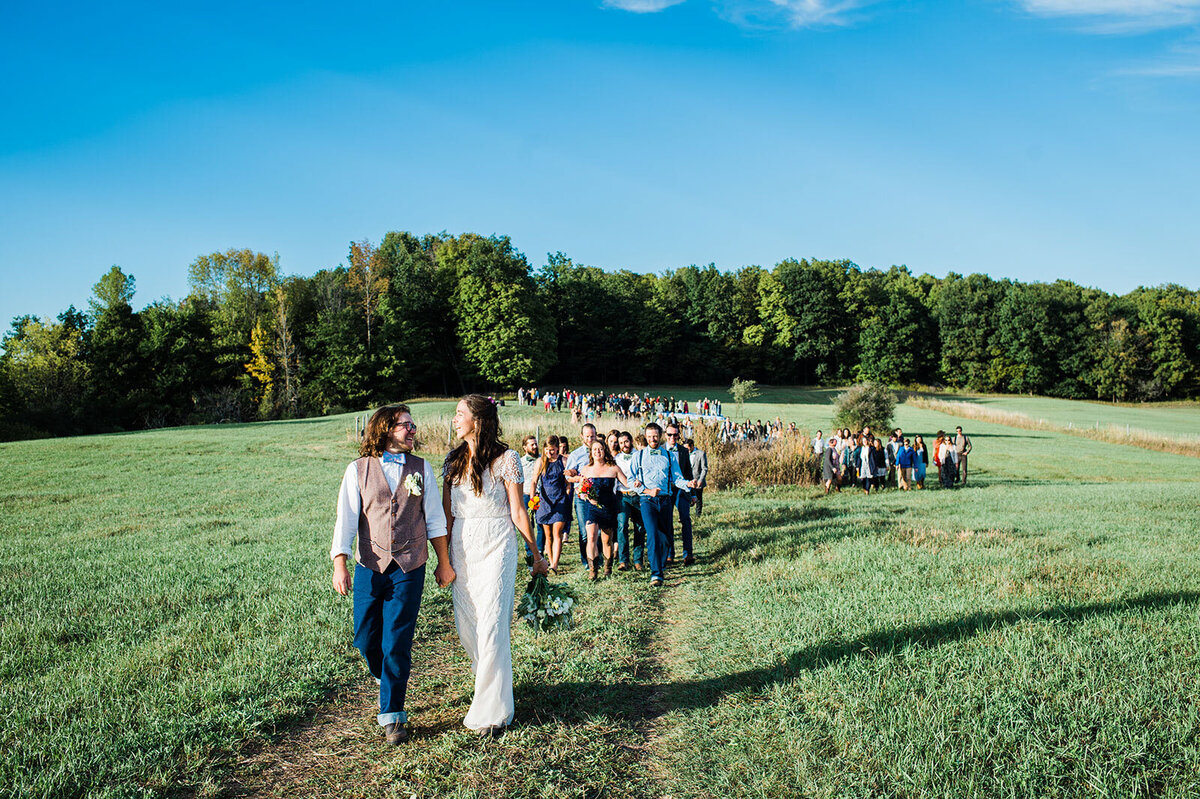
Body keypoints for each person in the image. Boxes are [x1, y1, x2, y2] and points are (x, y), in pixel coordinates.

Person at [331, 404, 455, 746]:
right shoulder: (357, 470)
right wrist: (339, 563)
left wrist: (443, 562)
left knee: (396, 640)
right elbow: (345, 520)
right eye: (406, 426)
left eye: (413, 425)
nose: (413, 430)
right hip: (369, 566)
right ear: (385, 430)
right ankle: (385, 678)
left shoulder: (421, 469)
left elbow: (434, 520)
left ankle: (393, 715)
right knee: (365, 637)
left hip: (409, 566)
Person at [442, 395, 548, 737]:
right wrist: (443, 559)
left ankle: (493, 710)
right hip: (462, 544)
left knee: (491, 625)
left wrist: (535, 553)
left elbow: (518, 511)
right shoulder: (453, 460)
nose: (455, 419)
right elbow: (445, 515)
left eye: (460, 414)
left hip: (498, 543)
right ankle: (490, 683)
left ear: (479, 420)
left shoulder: (507, 459)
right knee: (468, 626)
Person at [629, 422, 696, 587]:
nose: (653, 439)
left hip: (665, 501)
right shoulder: (638, 456)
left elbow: (677, 478)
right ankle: (656, 574)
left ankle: (659, 562)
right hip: (647, 501)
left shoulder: (669, 456)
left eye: (655, 436)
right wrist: (644, 489)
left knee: (666, 539)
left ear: (660, 436)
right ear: (646, 437)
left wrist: (688, 484)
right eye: (650, 436)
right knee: (651, 534)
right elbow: (630, 479)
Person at [578, 438, 628, 579]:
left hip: (608, 508)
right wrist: (587, 497)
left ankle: (607, 568)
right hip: (591, 508)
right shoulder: (586, 469)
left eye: (600, 449)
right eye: (595, 449)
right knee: (591, 537)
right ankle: (593, 570)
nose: (597, 452)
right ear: (591, 452)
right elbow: (580, 490)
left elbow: (626, 483)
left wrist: (638, 483)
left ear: (604, 450)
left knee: (607, 540)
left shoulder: (613, 468)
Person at [530, 435, 570, 573]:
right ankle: (550, 561)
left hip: (560, 500)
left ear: (557, 449)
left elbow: (568, 481)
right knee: (548, 535)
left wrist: (567, 494)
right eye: (547, 450)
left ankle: (554, 564)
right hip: (545, 501)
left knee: (557, 532)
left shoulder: (564, 461)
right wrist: (532, 497)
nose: (549, 453)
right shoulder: (541, 461)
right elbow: (534, 481)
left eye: (552, 450)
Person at [564, 424, 598, 567]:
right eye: (587, 436)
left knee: (598, 530)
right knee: (585, 530)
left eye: (592, 436)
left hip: (598, 497)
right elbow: (568, 476)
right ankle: (586, 561)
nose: (590, 439)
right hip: (582, 497)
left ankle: (598, 558)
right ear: (582, 436)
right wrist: (579, 478)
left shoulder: (600, 451)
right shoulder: (576, 455)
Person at [663, 423, 696, 565]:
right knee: (667, 521)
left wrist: (693, 493)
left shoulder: (683, 451)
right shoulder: (660, 450)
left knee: (685, 520)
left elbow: (689, 472)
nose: (672, 437)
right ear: (665, 435)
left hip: (681, 489)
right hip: (666, 490)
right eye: (669, 434)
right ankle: (669, 553)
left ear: (679, 435)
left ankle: (688, 553)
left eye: (675, 435)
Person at [614, 431, 645, 571]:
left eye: (626, 441)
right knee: (622, 526)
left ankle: (638, 559)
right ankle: (623, 560)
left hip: (637, 495)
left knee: (639, 527)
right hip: (623, 495)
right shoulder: (617, 459)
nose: (624, 445)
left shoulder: (639, 455)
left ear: (631, 441)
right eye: (621, 443)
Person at [518, 435, 542, 563]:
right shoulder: (521, 462)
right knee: (529, 525)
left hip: (541, 495)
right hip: (526, 495)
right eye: (531, 444)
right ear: (525, 447)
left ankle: (540, 551)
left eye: (536, 444)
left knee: (542, 524)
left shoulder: (543, 460)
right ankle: (530, 552)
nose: (535, 446)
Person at [685, 438, 708, 517]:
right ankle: (685, 515)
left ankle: (698, 515)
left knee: (698, 498)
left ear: (691, 446)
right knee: (686, 498)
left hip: (698, 480)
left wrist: (700, 480)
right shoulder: (684, 453)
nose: (686, 450)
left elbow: (704, 468)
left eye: (687, 448)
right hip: (687, 480)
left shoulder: (701, 453)